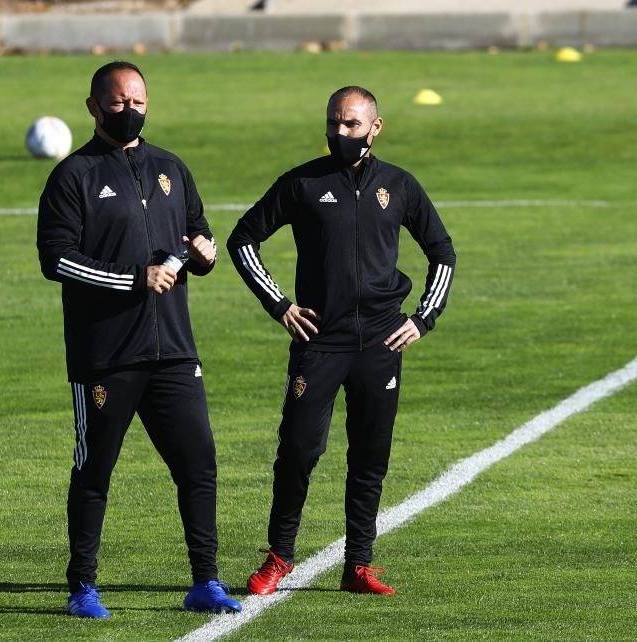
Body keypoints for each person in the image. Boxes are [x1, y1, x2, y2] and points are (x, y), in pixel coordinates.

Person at [229, 86, 457, 597]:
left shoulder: (399, 185)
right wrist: (279, 304)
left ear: (375, 128)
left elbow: (442, 252)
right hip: (320, 342)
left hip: (381, 343)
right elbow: (243, 239)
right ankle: (279, 557)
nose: (340, 133)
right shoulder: (302, 183)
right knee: (298, 450)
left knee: (370, 456)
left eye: (351, 124)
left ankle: (358, 565)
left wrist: (424, 318)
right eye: (334, 123)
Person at [36, 61, 241, 619]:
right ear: (94, 107)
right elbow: (56, 259)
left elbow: (196, 231)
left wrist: (205, 253)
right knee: (94, 470)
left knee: (198, 465)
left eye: (138, 101)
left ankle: (205, 581)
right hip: (107, 355)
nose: (130, 110)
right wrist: (134, 278)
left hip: (173, 350)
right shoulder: (72, 176)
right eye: (119, 102)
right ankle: (82, 587)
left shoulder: (171, 167)